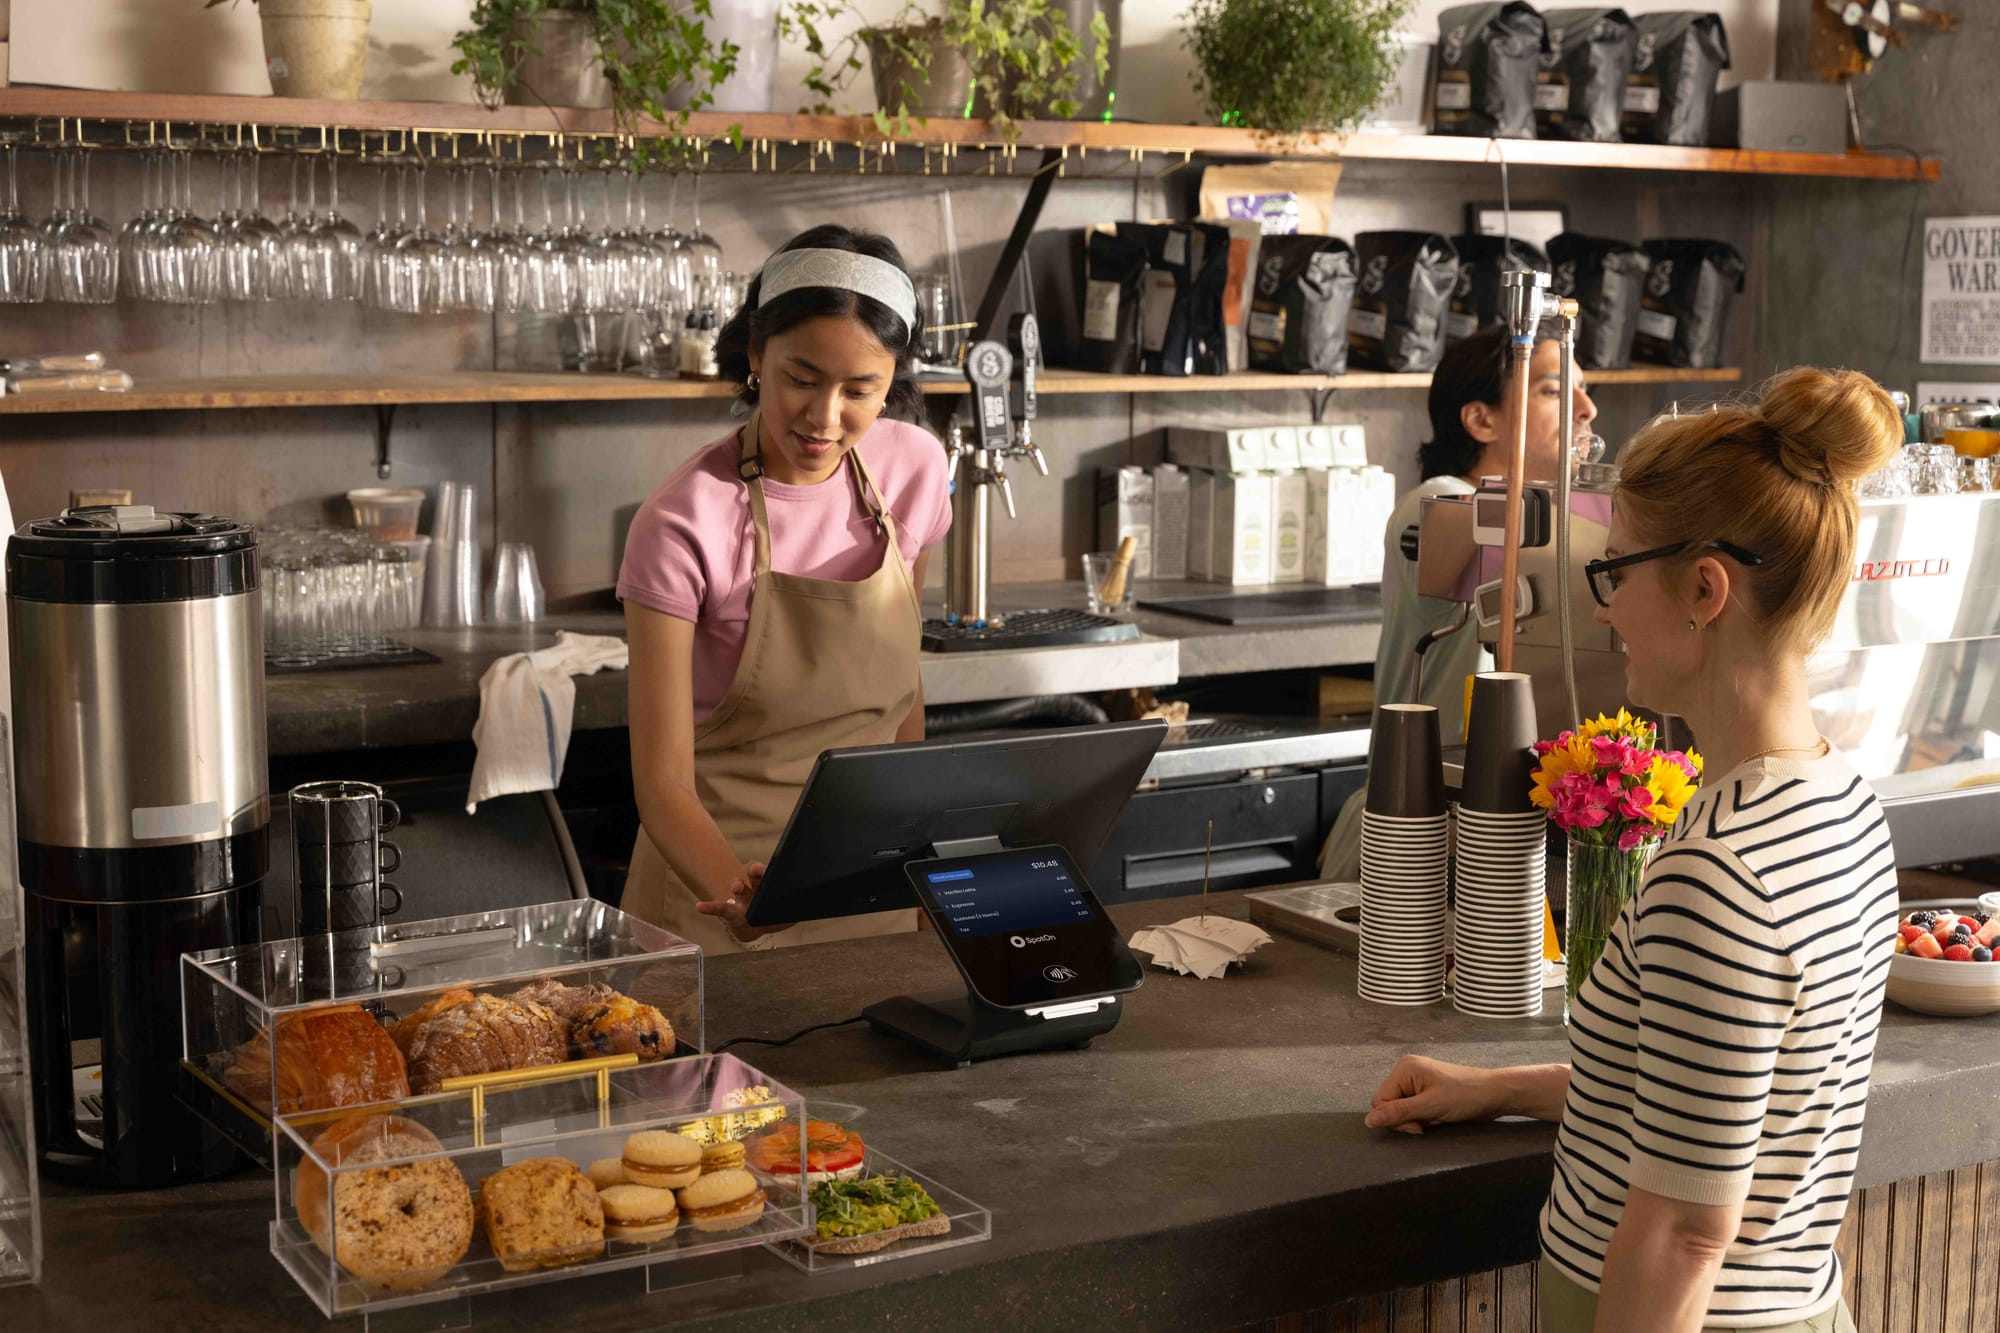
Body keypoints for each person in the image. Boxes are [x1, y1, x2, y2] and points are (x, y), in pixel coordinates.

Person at [1365, 367, 1903, 1332]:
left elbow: (1686, 1234)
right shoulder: (1840, 801)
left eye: (1613, 571)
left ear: (1704, 588)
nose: (1602, 607)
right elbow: (1710, 1100)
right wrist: (1500, 1088)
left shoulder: (1718, 874)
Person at [616, 225, 951, 953]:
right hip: (717, 899)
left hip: (870, 894)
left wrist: (920, 862)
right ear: (756, 356)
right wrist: (746, 898)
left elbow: (902, 695)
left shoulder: (916, 469)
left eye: (860, 389)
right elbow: (662, 783)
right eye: (802, 378)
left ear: (894, 377)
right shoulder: (681, 522)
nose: (825, 417)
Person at [1320, 324, 1598, 880]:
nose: (1586, 409)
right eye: (1552, 391)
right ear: (1480, 419)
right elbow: (1527, 560)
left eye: (1584, 389)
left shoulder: (1560, 518)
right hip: (1412, 826)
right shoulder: (1438, 505)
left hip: (1494, 830)